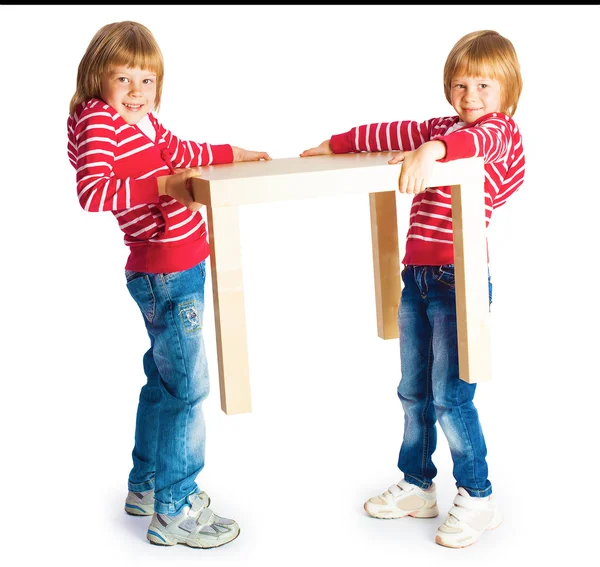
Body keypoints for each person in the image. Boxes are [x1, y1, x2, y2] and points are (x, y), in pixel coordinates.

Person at [300, 29, 524, 549]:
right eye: (461, 85)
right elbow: (386, 131)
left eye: (484, 87)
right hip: (417, 278)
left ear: (508, 95)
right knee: (412, 391)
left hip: (459, 280)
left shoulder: (500, 133)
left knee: (452, 396)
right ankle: (418, 484)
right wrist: (335, 144)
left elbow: (476, 143)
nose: (470, 97)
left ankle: (478, 494)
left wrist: (434, 149)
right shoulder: (439, 127)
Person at [67, 20, 271, 549]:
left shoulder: (145, 125)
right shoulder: (100, 120)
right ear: (98, 79)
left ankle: (148, 485)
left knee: (164, 382)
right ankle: (175, 512)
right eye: (124, 79)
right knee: (188, 387)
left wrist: (233, 154)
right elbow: (94, 191)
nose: (137, 92)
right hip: (165, 273)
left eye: (147, 81)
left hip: (182, 266)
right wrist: (165, 185)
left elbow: (184, 150)